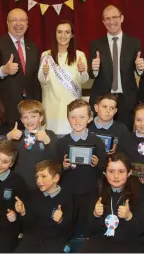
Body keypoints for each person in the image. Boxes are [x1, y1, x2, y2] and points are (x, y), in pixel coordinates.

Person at [88, 4, 144, 131]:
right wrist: (94, 69)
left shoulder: (134, 42)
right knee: (102, 139)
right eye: (107, 18)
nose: (111, 21)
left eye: (115, 17)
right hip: (103, 100)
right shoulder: (95, 44)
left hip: (127, 101)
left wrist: (141, 68)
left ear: (122, 18)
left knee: (125, 138)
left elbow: (140, 71)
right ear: (103, 22)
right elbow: (92, 74)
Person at [57, 99, 107, 238]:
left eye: (81, 117)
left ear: (89, 118)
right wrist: (63, 166)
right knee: (67, 226)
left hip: (89, 192)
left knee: (88, 227)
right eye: (73, 117)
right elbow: (55, 170)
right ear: (68, 119)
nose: (77, 121)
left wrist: (97, 164)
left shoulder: (97, 142)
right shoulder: (61, 143)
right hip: (68, 192)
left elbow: (103, 169)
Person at [0, 8, 41, 128]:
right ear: (7, 23)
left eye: (22, 20)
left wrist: (37, 105)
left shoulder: (33, 47)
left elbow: (35, 79)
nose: (18, 23)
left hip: (28, 112)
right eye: (14, 20)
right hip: (6, 108)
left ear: (27, 23)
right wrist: (3, 70)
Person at [81, 152, 144, 253]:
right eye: (111, 171)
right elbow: (90, 229)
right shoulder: (97, 191)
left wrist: (129, 217)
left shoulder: (138, 193)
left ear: (129, 173)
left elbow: (140, 231)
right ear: (105, 173)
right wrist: (96, 215)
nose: (116, 176)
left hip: (129, 243)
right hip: (101, 242)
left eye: (121, 171)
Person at [38, 20, 89, 135]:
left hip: (72, 105)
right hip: (51, 105)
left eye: (67, 32)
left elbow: (83, 80)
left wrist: (82, 71)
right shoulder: (46, 55)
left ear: (72, 35)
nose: (63, 36)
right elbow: (42, 80)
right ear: (55, 34)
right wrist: (45, 73)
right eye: (59, 32)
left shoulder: (79, 55)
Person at [13, 160, 73, 253]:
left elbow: (69, 230)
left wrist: (61, 220)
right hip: (32, 238)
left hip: (55, 240)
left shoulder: (67, 198)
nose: (38, 180)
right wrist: (23, 212)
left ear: (56, 178)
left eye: (43, 176)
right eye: (37, 177)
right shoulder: (32, 194)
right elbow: (28, 226)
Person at [7, 100, 59, 191]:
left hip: (43, 185)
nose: (29, 120)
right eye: (25, 117)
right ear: (21, 120)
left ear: (41, 117)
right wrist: (8, 137)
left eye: (33, 116)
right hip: (19, 185)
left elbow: (57, 159)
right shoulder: (16, 135)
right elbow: (1, 153)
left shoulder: (50, 135)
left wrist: (47, 141)